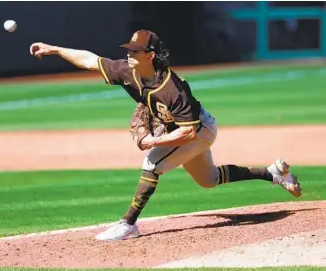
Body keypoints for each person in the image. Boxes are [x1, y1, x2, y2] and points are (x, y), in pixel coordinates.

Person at [30, 30, 302, 241]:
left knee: (152, 163)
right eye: (129, 49)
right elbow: (90, 60)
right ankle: (273, 172)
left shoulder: (173, 88)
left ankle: (127, 224)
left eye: (135, 51)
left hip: (199, 130)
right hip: (185, 130)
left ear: (150, 54)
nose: (129, 55)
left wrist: (154, 141)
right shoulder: (128, 72)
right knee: (209, 180)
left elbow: (188, 131)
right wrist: (54, 49)